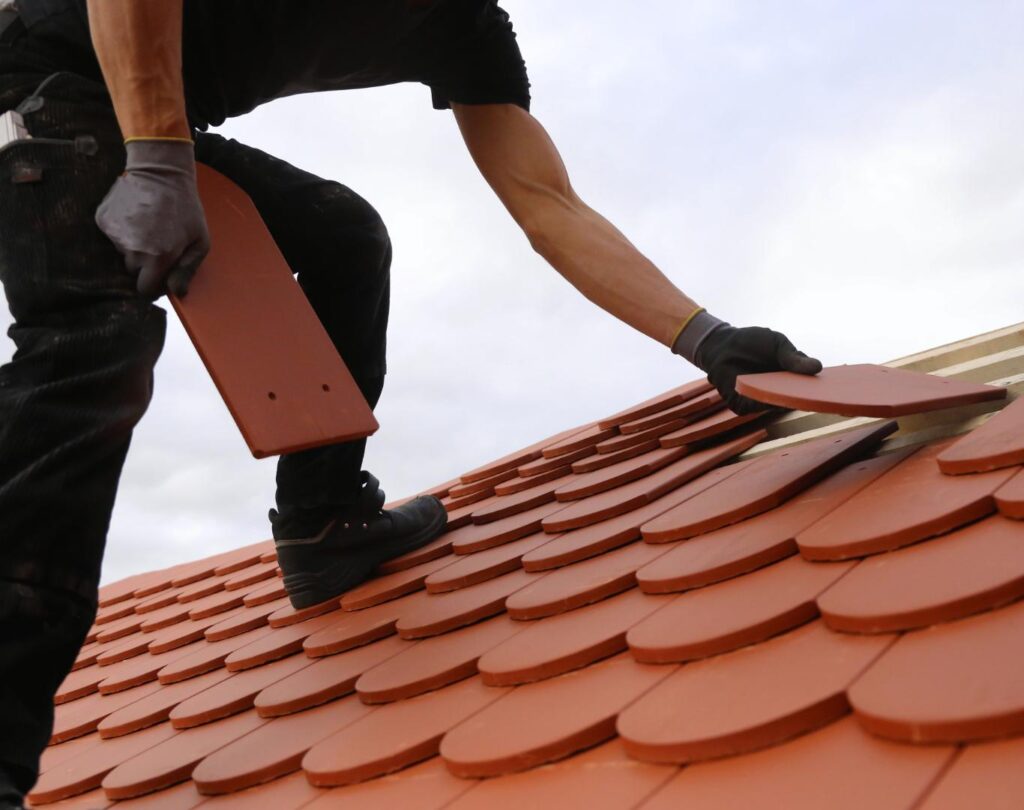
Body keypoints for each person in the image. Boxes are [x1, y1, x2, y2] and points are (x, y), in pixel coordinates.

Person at [0, 0, 821, 804]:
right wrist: (156, 159)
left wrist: (706, 337)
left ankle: (324, 524)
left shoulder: (469, 29)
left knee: (344, 236)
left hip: (138, 110)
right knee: (91, 352)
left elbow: (550, 205)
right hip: (39, 75)